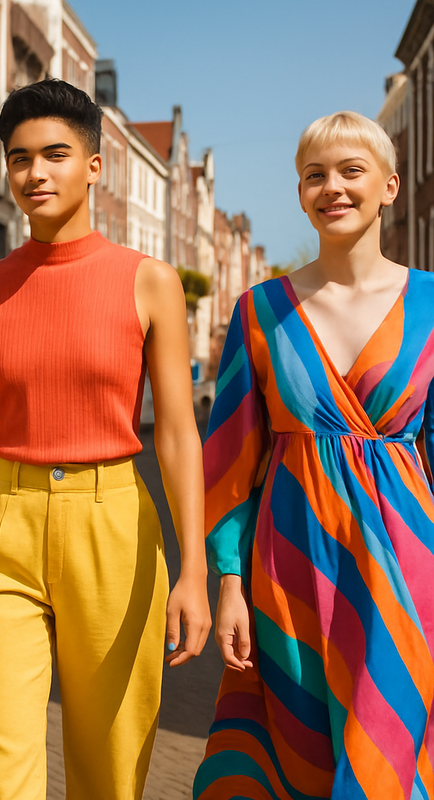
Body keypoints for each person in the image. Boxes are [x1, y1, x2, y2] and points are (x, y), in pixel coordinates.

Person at [0, 78, 211, 800]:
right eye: (19, 158)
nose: (34, 173)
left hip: (113, 521)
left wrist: (194, 571)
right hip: (1, 526)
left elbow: (178, 435)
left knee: (110, 766)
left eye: (55, 154)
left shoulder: (148, 282)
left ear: (94, 165)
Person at [194, 111, 434, 800]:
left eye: (350, 171)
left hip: (407, 570)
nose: (332, 187)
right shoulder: (258, 310)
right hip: (287, 567)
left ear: (389, 186)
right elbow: (229, 463)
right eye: (314, 176)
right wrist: (230, 581)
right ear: (300, 193)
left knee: (386, 748)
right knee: (291, 751)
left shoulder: (433, 304)